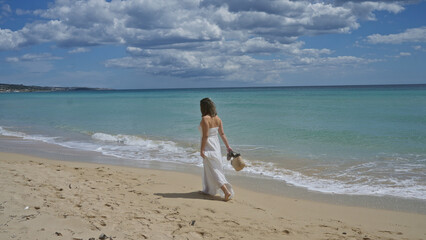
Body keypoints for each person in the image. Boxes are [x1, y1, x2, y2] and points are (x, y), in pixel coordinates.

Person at [199, 98, 234, 201]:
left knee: (213, 170)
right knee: (215, 169)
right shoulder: (218, 118)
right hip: (216, 146)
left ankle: (226, 191)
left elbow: (205, 136)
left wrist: (201, 150)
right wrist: (228, 147)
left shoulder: (205, 119)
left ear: (203, 107)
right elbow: (222, 134)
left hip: (209, 145)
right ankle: (208, 190)